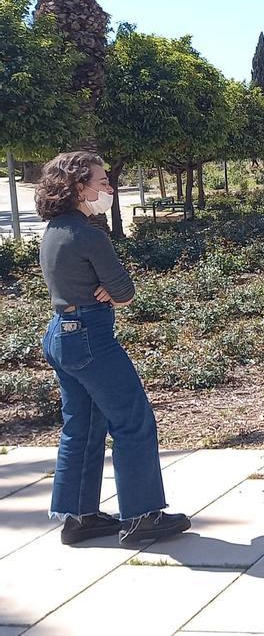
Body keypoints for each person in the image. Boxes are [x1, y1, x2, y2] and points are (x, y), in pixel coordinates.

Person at [35, 151, 191, 546]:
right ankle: (142, 516)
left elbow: (108, 288)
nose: (109, 188)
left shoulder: (54, 230)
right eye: (102, 182)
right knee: (132, 420)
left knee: (82, 427)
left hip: (60, 335)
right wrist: (113, 291)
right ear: (76, 186)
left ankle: (77, 517)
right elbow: (123, 290)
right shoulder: (90, 235)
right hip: (91, 336)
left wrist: (109, 290)